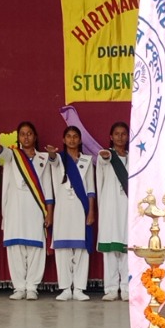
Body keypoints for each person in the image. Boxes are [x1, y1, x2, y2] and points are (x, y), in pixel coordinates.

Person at [0, 121, 53, 300]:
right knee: (15, 247)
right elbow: (3, 152)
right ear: (18, 137)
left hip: (35, 208)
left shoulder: (43, 158)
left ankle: (32, 287)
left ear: (35, 136)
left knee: (35, 247)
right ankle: (19, 287)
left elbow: (48, 188)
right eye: (22, 134)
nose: (26, 137)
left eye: (29, 133)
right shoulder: (12, 156)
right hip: (14, 207)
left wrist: (49, 211)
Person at [49, 124, 95, 301]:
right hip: (62, 210)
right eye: (69, 136)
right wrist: (52, 153)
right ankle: (65, 288)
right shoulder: (58, 159)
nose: (72, 139)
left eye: (75, 136)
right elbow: (52, 160)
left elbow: (91, 189)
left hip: (81, 209)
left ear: (80, 140)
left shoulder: (87, 161)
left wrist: (90, 211)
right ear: (63, 139)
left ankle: (79, 289)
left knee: (81, 250)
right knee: (63, 249)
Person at [97, 121, 131, 301]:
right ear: (111, 137)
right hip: (110, 207)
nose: (120, 137)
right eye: (116, 133)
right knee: (110, 251)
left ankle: (126, 288)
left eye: (123, 133)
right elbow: (103, 159)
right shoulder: (106, 156)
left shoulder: (135, 157)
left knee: (126, 249)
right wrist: (104, 156)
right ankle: (110, 289)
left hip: (128, 207)